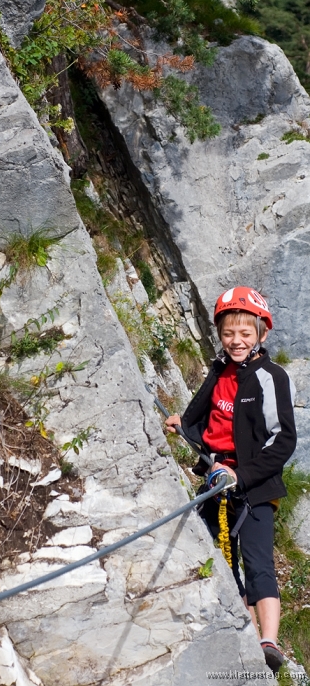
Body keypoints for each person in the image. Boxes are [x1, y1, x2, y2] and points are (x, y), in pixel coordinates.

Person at [165, 286, 296, 673]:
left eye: (245, 334)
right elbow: (208, 414)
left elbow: (283, 438)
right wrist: (185, 427)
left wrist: (243, 474)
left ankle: (268, 643)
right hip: (216, 478)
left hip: (255, 486)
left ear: (261, 334)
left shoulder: (271, 377)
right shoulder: (220, 368)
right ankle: (245, 635)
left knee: (258, 563)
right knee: (224, 562)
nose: (236, 341)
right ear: (219, 334)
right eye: (228, 333)